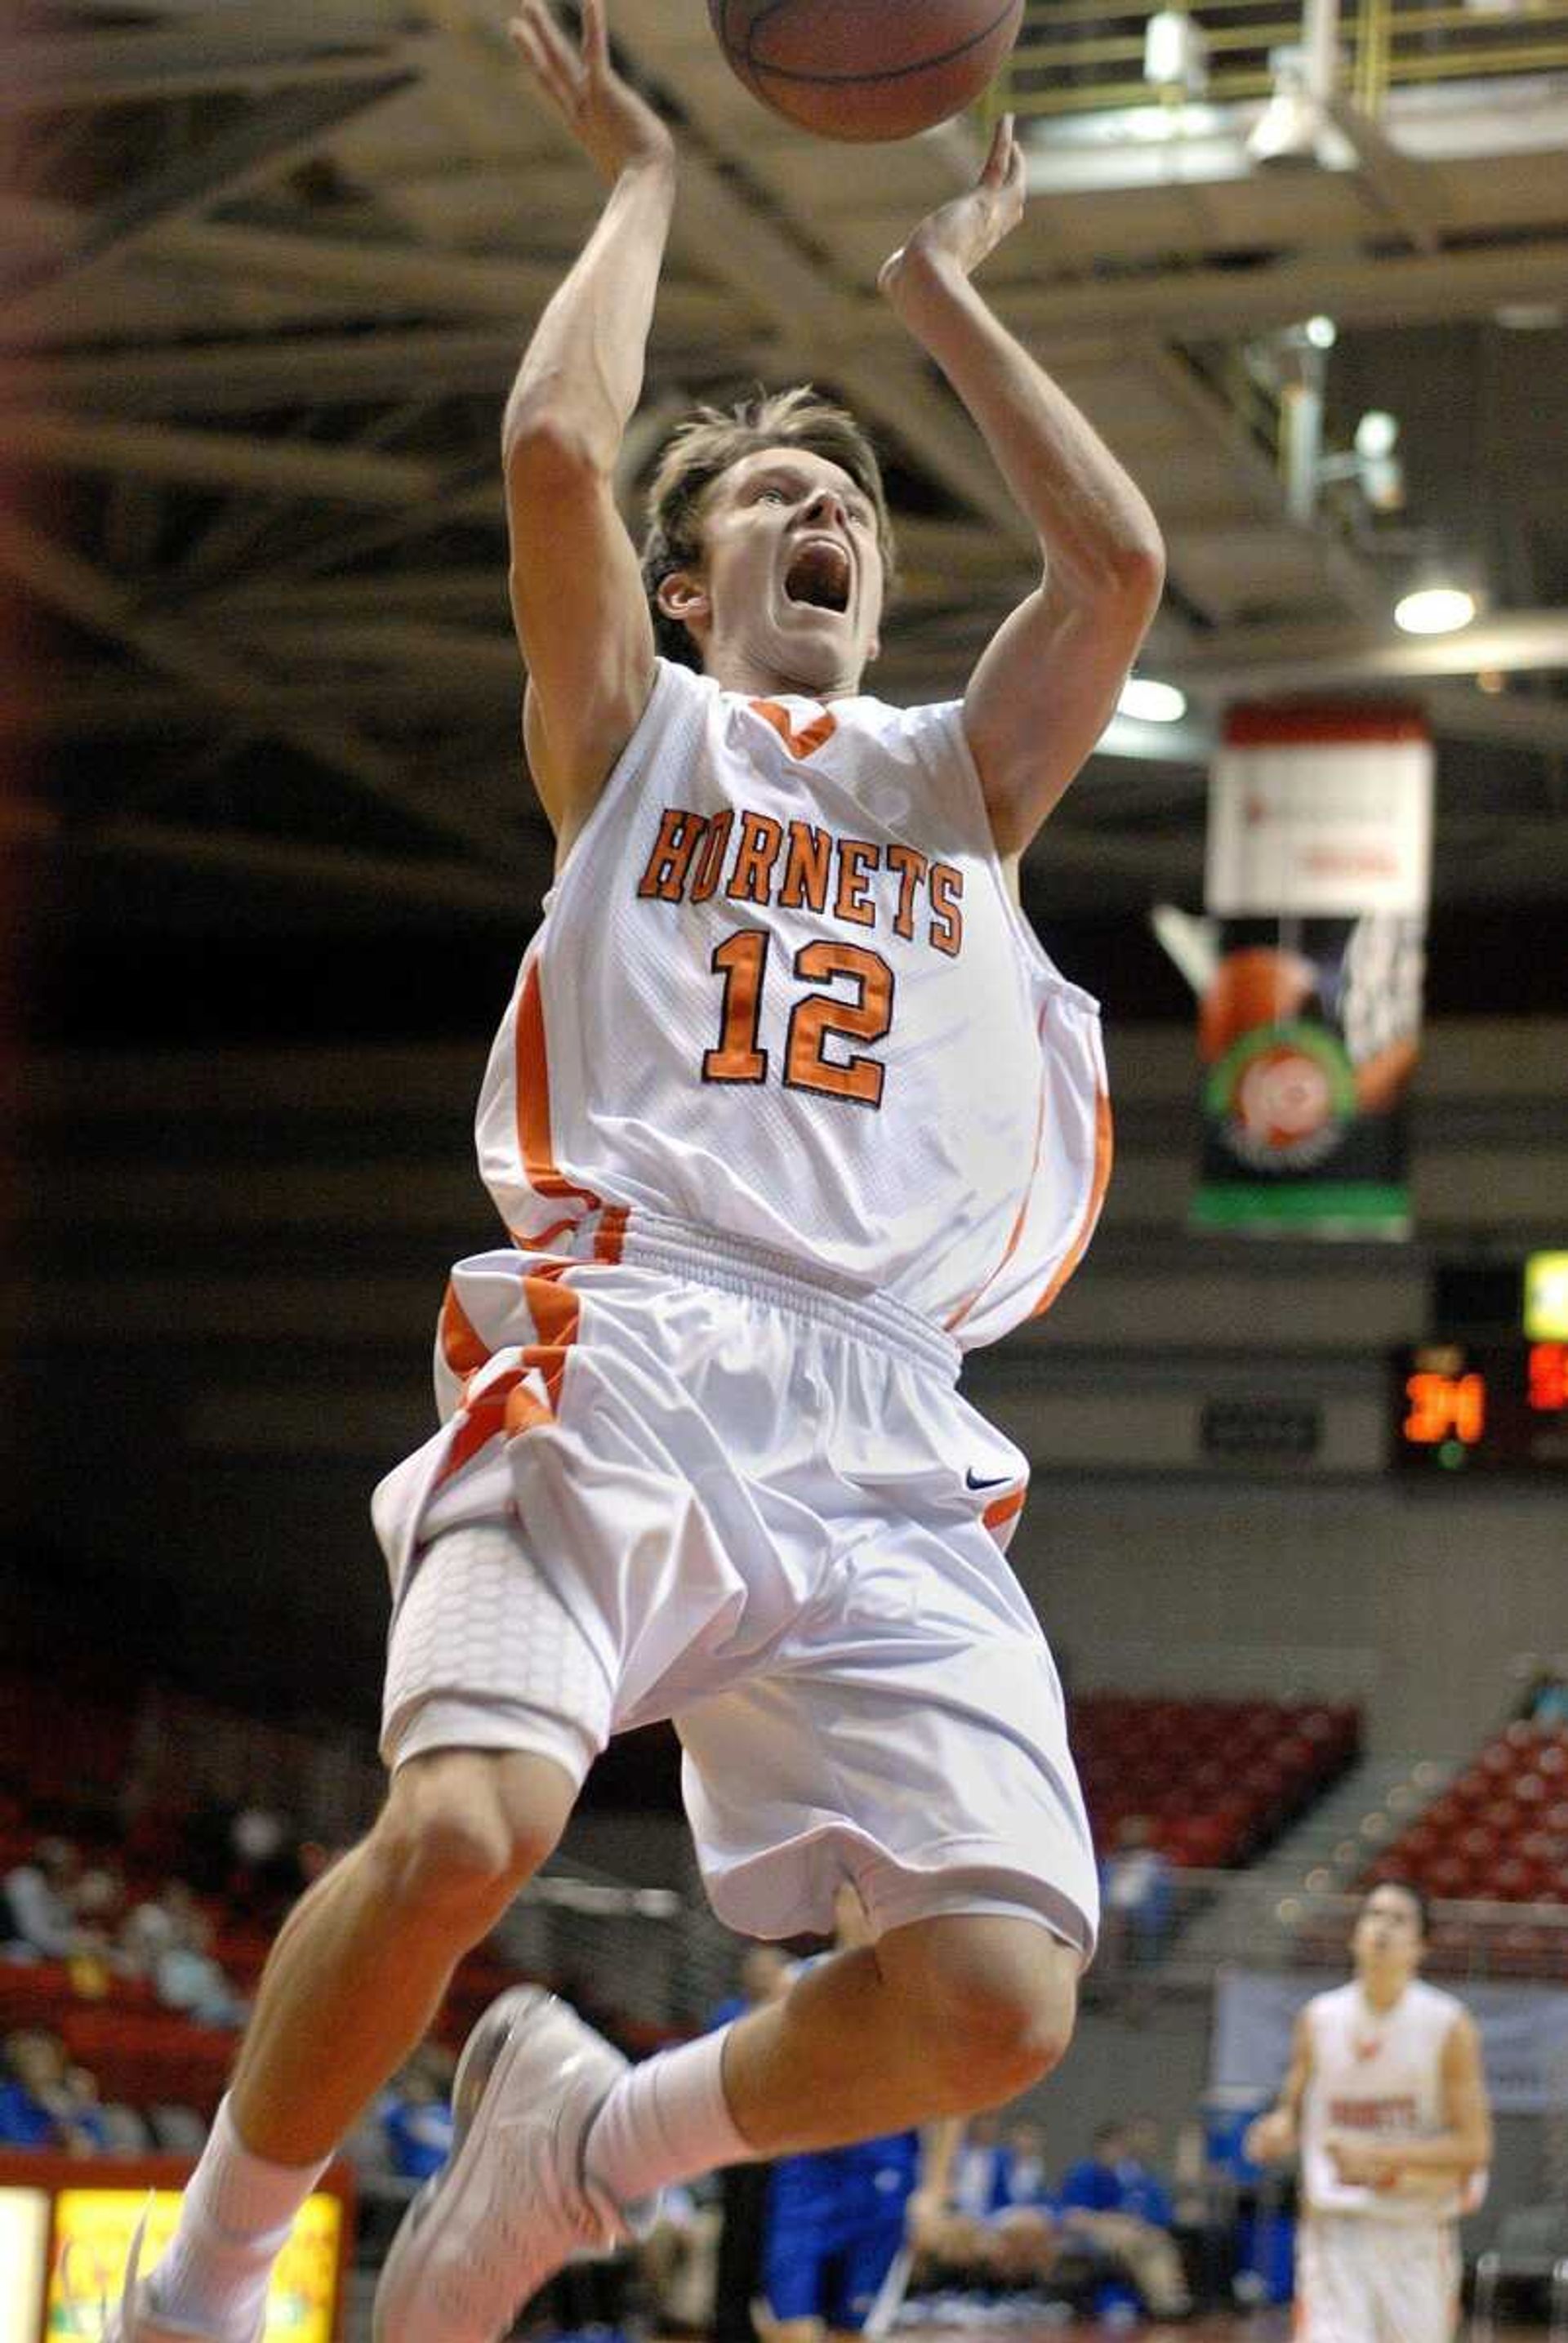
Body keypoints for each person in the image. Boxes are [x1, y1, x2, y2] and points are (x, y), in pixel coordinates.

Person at [102, 0, 1162, 2335]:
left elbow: (1110, 571)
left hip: (884, 1418)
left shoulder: (953, 787)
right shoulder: (639, 734)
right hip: (635, 1331)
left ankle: (588, 2141)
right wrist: (645, 187)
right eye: (774, 504)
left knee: (999, 1990)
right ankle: (193, 2294)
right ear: (695, 590)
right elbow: (555, 452)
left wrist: (945, 293)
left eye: (852, 505)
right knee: (465, 1834)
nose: (827, 518)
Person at [1244, 1880, 1493, 2343]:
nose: (1382, 1928)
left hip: (1415, 2232)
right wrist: (1274, 2131)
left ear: (1422, 1946)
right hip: (1335, 2234)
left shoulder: (1447, 2025)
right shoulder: (1318, 2018)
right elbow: (1290, 2114)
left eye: (1398, 1919)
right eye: (1372, 1915)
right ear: (1354, 1935)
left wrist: (1380, 2157)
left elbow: (1474, 2147)